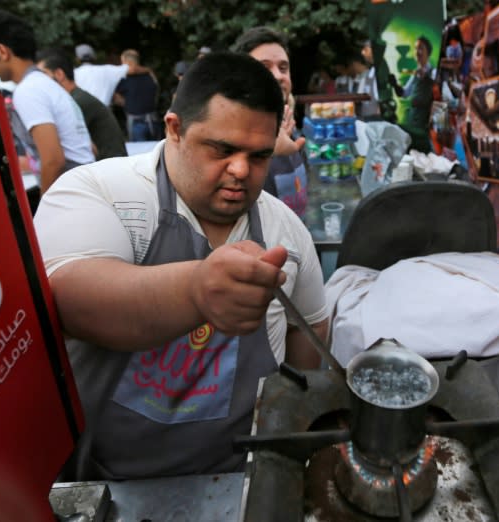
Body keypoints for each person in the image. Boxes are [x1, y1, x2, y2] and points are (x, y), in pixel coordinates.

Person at [34, 52, 329, 480]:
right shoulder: (101, 192)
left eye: (259, 156)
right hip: (108, 482)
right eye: (222, 149)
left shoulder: (287, 230)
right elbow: (68, 297)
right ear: (174, 129)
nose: (241, 170)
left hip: (240, 479)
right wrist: (197, 290)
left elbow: (311, 326)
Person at [0, 10, 95, 195]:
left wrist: (45, 207)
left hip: (73, 193)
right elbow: (90, 146)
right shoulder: (46, 83)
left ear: (2, 52)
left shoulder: (28, 91)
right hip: (85, 185)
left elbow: (53, 160)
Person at [232, 27, 308, 218]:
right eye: (265, 67)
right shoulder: (230, 138)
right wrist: (266, 153)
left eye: (283, 68)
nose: (278, 75)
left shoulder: (291, 131)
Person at [36, 49, 127, 160]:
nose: (38, 81)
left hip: (109, 170)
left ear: (59, 74)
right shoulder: (75, 98)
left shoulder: (76, 102)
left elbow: (59, 152)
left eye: (43, 74)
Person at [390, 36, 435, 153]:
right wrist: (394, 84)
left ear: (428, 52)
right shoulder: (415, 73)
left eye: (421, 48)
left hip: (425, 122)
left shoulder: (433, 72)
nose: (417, 52)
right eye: (415, 48)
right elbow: (404, 93)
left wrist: (427, 78)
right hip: (413, 119)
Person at [73, 43, 152, 106]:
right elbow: (133, 69)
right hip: (103, 117)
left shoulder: (73, 74)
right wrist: (149, 70)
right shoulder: (107, 70)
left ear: (77, 59)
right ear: (94, 57)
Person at [115, 49, 162, 141]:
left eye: (122, 62)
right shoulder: (150, 75)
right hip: (153, 119)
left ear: (127, 62)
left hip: (136, 122)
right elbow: (157, 91)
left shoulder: (123, 78)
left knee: (139, 153)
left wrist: (127, 103)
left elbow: (117, 98)